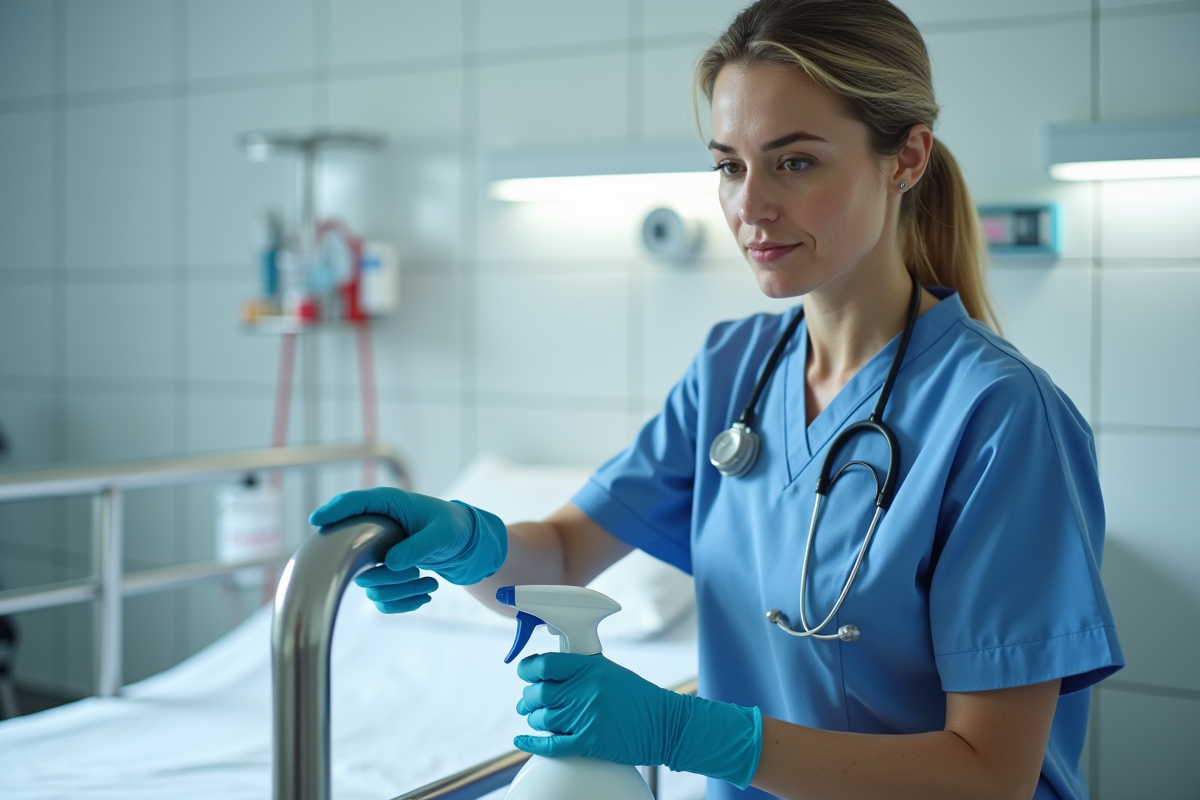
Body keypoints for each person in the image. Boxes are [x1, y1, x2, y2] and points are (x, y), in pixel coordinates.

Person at [310, 1, 1124, 797]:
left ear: (906, 159)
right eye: (730, 165)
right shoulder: (734, 369)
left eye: (795, 162)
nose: (750, 205)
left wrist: (684, 731)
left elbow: (989, 778)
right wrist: (463, 542)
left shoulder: (1002, 418)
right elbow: (560, 556)